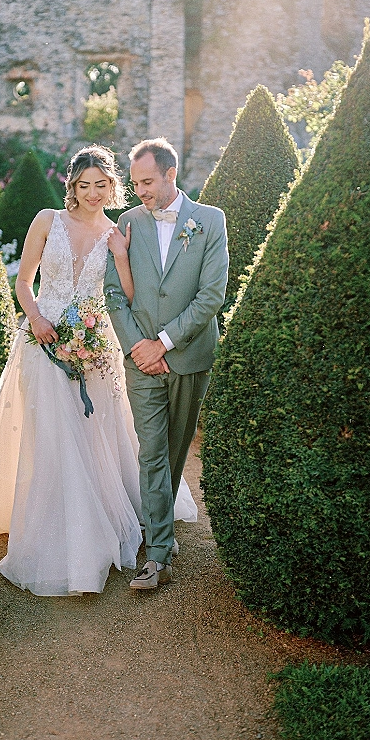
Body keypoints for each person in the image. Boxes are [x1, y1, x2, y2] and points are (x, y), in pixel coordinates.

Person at [0, 144, 198, 597]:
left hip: (97, 344)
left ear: (112, 186)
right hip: (42, 339)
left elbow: (131, 294)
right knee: (53, 433)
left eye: (102, 185)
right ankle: (58, 523)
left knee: (96, 433)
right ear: (71, 187)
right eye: (84, 185)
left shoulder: (120, 231)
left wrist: (119, 256)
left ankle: (99, 517)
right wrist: (36, 317)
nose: (93, 193)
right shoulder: (46, 220)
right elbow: (23, 279)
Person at [104, 137, 228, 590]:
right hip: (140, 360)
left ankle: (161, 528)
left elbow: (211, 294)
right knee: (152, 450)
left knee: (175, 448)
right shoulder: (127, 223)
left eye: (148, 181)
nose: (140, 191)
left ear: (171, 174)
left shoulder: (209, 221)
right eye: (135, 183)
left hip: (189, 357)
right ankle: (156, 553)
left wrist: (165, 342)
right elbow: (115, 292)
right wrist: (139, 345)